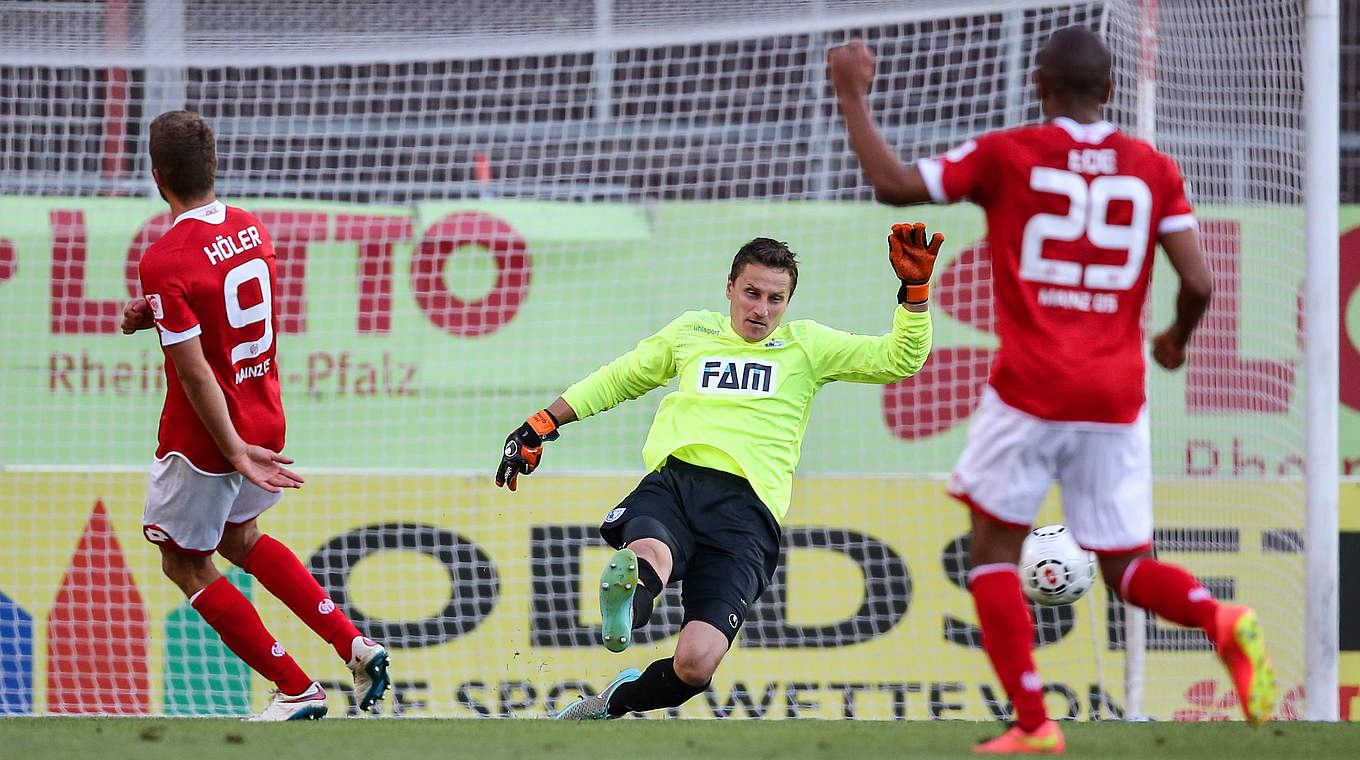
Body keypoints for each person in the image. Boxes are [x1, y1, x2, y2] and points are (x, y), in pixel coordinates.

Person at [828, 26, 1274, 753]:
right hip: (1117, 396)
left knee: (993, 554)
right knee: (1128, 567)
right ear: (1110, 91)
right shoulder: (1153, 169)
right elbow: (1199, 281)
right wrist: (1172, 341)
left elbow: (894, 186)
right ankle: (1220, 620)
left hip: (1032, 388)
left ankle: (1034, 724)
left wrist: (851, 94)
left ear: (1039, 86)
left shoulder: (1008, 154)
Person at [495, 230, 939, 719]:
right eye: (752, 293)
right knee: (650, 553)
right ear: (730, 287)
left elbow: (900, 358)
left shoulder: (807, 346)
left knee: (696, 665)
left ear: (789, 300)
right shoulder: (694, 332)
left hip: (747, 518)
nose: (761, 310)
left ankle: (614, 699)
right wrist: (543, 422)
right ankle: (631, 599)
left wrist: (914, 297)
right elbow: (619, 378)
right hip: (678, 484)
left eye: (776, 299)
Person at [121, 110, 391, 721]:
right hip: (264, 410)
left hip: (209, 438)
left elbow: (194, 371)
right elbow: (220, 303)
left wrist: (234, 449)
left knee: (183, 560)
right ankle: (354, 644)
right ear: (213, 167)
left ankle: (296, 688)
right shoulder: (250, 228)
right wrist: (156, 311)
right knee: (242, 538)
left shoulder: (166, 257)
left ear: (157, 176)